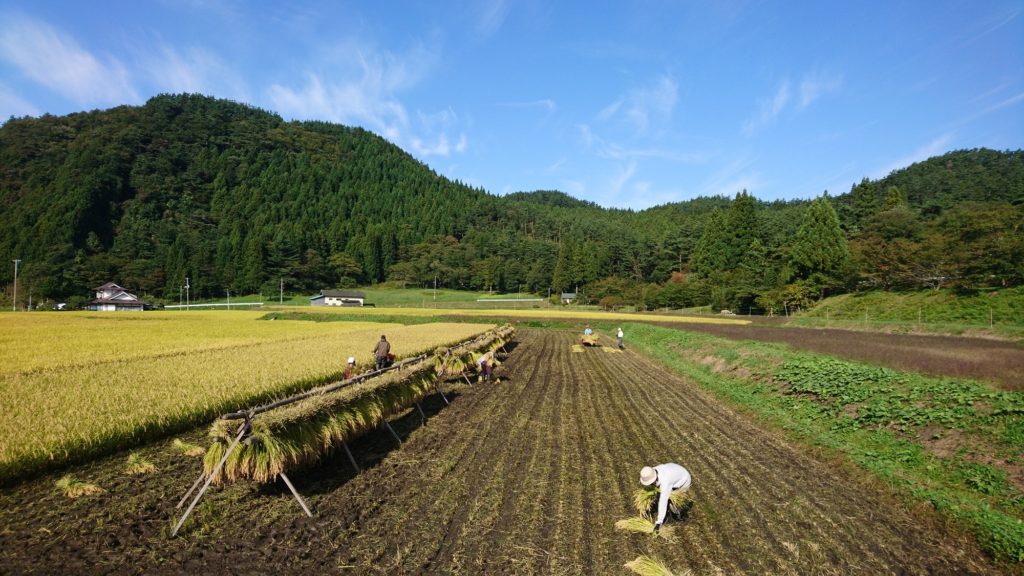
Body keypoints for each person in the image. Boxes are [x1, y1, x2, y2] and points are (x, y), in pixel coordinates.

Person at [640, 463, 692, 533]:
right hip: (675, 472)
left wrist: (659, 522)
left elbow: (663, 502)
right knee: (661, 495)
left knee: (673, 503)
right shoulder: (651, 472)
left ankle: (680, 514)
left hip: (684, 480)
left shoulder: (665, 482)